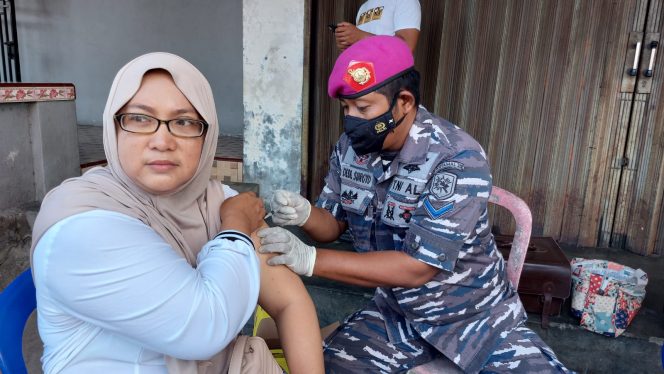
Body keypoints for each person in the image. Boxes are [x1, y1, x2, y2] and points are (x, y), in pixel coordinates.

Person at [258, 36, 571, 373]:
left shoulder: (455, 157)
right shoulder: (349, 150)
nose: (350, 121)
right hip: (396, 316)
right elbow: (332, 224)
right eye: (345, 109)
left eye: (363, 109)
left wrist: (309, 259)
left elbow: (419, 267)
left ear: (404, 102)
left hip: (475, 319)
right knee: (327, 366)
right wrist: (305, 215)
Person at [29, 52, 323, 374]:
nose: (162, 141)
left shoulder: (215, 198)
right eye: (140, 118)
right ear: (114, 128)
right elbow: (202, 328)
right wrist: (236, 225)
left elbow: (289, 302)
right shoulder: (79, 227)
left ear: (207, 134)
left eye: (183, 122)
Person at [333, 0, 420, 53]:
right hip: (363, 76)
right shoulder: (364, 7)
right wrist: (348, 44)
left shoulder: (406, 1)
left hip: (389, 79)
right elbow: (363, 46)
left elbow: (406, 48)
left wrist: (360, 36)